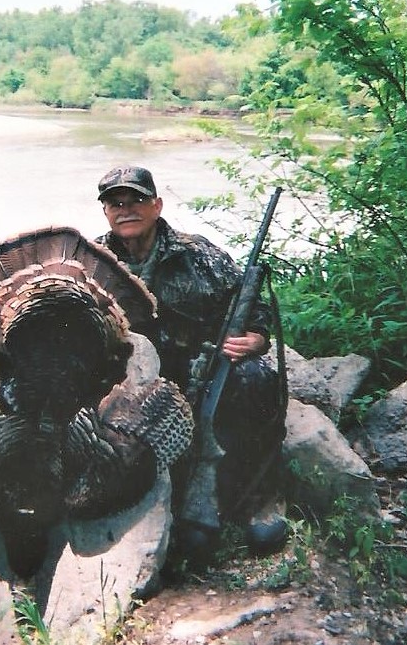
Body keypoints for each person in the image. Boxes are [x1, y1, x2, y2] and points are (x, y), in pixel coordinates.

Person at [94, 165, 288, 563]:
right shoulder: (91, 261)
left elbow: (256, 309)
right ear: (106, 212)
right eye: (116, 203)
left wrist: (256, 338)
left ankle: (259, 496)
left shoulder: (199, 255)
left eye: (137, 200)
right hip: (129, 387)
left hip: (199, 377)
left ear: (157, 205)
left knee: (255, 378)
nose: (126, 209)